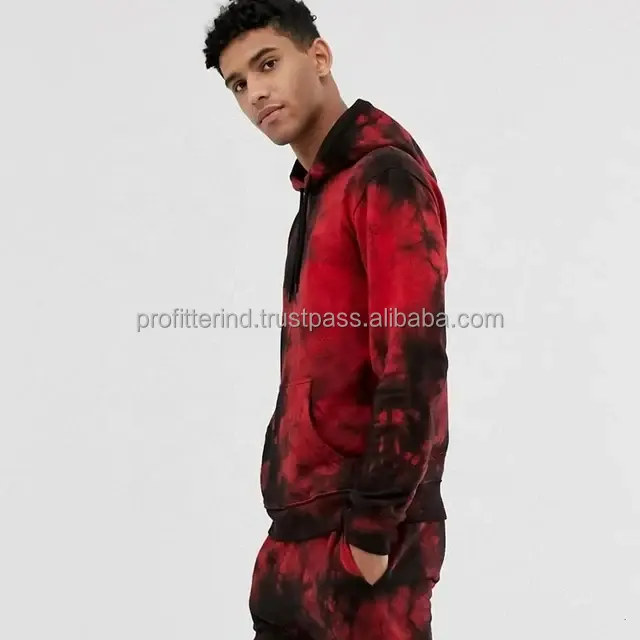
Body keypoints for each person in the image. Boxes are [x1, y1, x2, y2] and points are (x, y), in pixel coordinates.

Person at [203, 1, 449, 638]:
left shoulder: (383, 176)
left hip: (362, 534)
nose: (255, 93)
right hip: (296, 529)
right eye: (238, 84)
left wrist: (372, 528)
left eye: (267, 64)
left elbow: (415, 359)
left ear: (318, 57)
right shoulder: (320, 191)